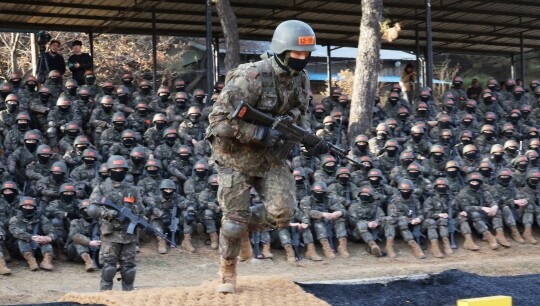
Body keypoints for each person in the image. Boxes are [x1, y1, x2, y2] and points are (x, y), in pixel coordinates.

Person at [207, 20, 328, 294]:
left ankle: (243, 227)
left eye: (306, 54)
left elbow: (302, 116)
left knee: (283, 213)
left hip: (271, 157)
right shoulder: (251, 76)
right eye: (296, 53)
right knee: (232, 222)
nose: (302, 58)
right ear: (282, 50)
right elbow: (217, 121)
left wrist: (308, 140)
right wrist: (258, 133)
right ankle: (227, 270)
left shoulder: (302, 79)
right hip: (235, 156)